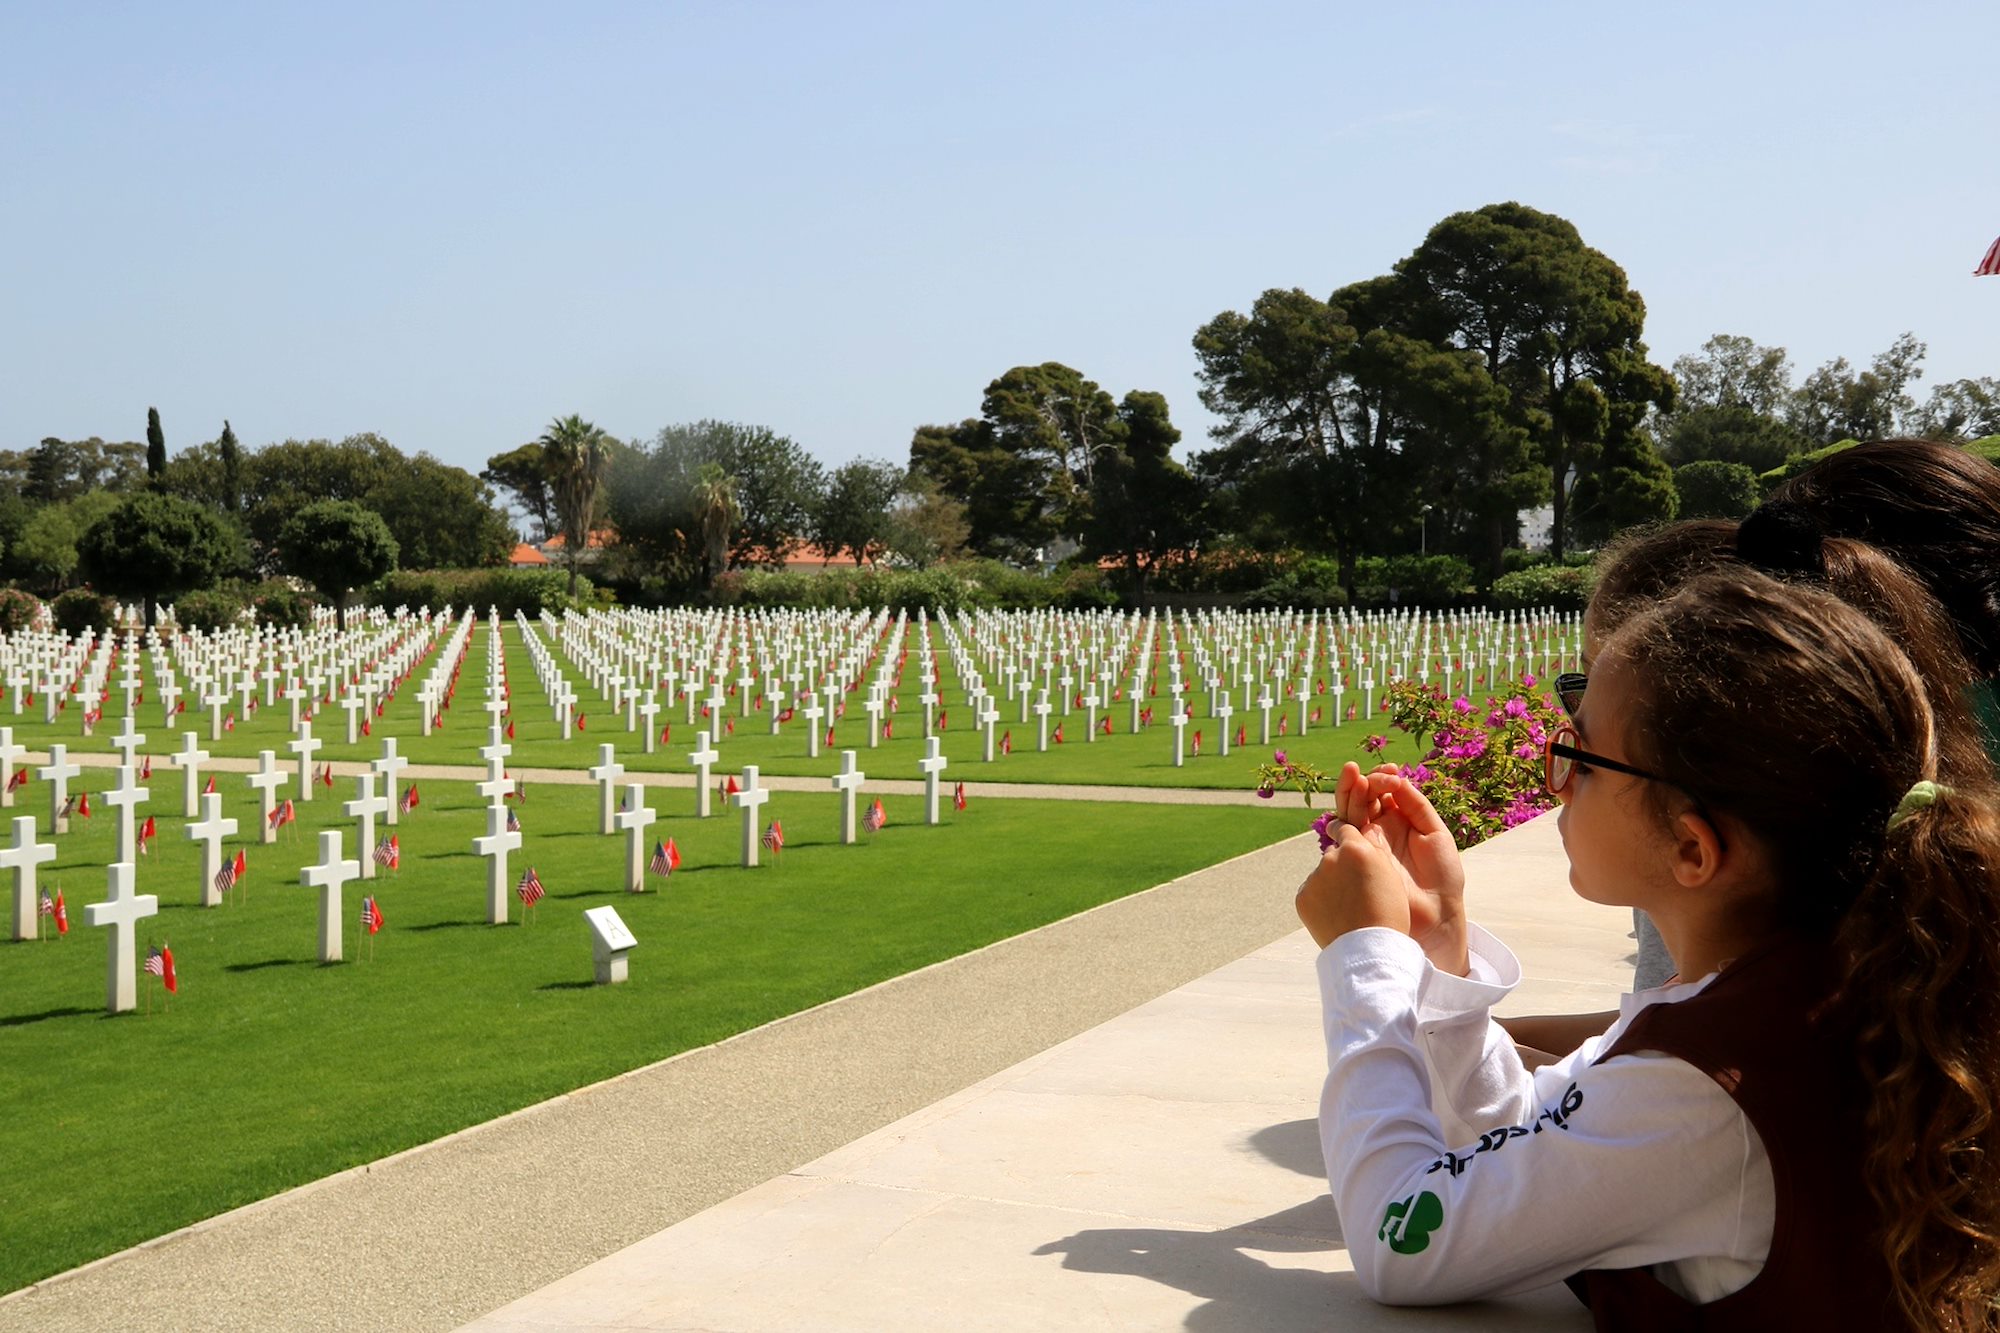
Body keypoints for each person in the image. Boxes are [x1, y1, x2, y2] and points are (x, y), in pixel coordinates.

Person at [1299, 568, 2000, 1328]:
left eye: (1581, 755)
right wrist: (1439, 942)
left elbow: (1401, 1239)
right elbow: (1538, 1135)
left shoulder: (1706, 1082)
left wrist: (1365, 959)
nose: (1558, 779)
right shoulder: (1788, 984)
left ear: (1692, 849)